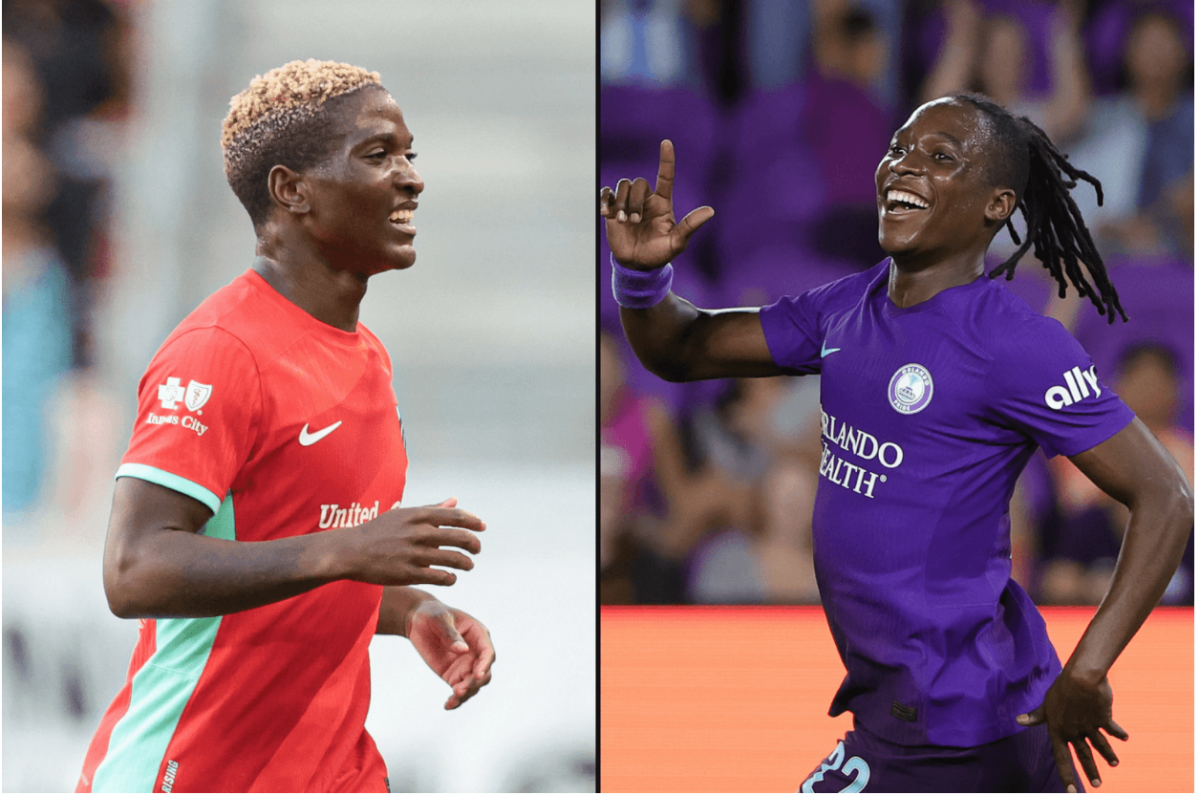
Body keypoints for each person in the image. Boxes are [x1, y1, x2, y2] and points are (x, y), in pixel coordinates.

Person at [600, 93, 1192, 792]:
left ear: (996, 205)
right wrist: (642, 278)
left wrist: (1088, 667)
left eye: (940, 157)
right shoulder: (847, 305)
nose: (905, 166)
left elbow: (1166, 494)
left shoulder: (1015, 342)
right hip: (907, 718)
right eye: (900, 149)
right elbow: (685, 348)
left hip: (965, 726)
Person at [76, 60, 495, 793]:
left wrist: (408, 607)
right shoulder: (219, 350)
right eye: (378, 155)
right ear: (291, 190)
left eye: (409, 154)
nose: (410, 178)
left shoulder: (367, 356)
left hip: (333, 771)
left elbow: (301, 554)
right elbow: (132, 567)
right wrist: (345, 550)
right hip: (197, 771)